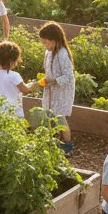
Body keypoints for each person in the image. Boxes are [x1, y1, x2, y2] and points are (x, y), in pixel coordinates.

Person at [39, 21, 76, 155]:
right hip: (52, 90)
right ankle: (55, 143)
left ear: (54, 40)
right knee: (50, 116)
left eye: (46, 42)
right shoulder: (48, 53)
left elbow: (69, 76)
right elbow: (48, 71)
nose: (45, 45)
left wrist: (53, 80)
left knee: (60, 118)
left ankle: (67, 147)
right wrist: (45, 81)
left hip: (62, 92)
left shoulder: (62, 54)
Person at [0, 41, 35, 117]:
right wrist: (37, 84)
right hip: (13, 112)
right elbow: (26, 90)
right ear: (11, 60)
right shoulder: (14, 76)